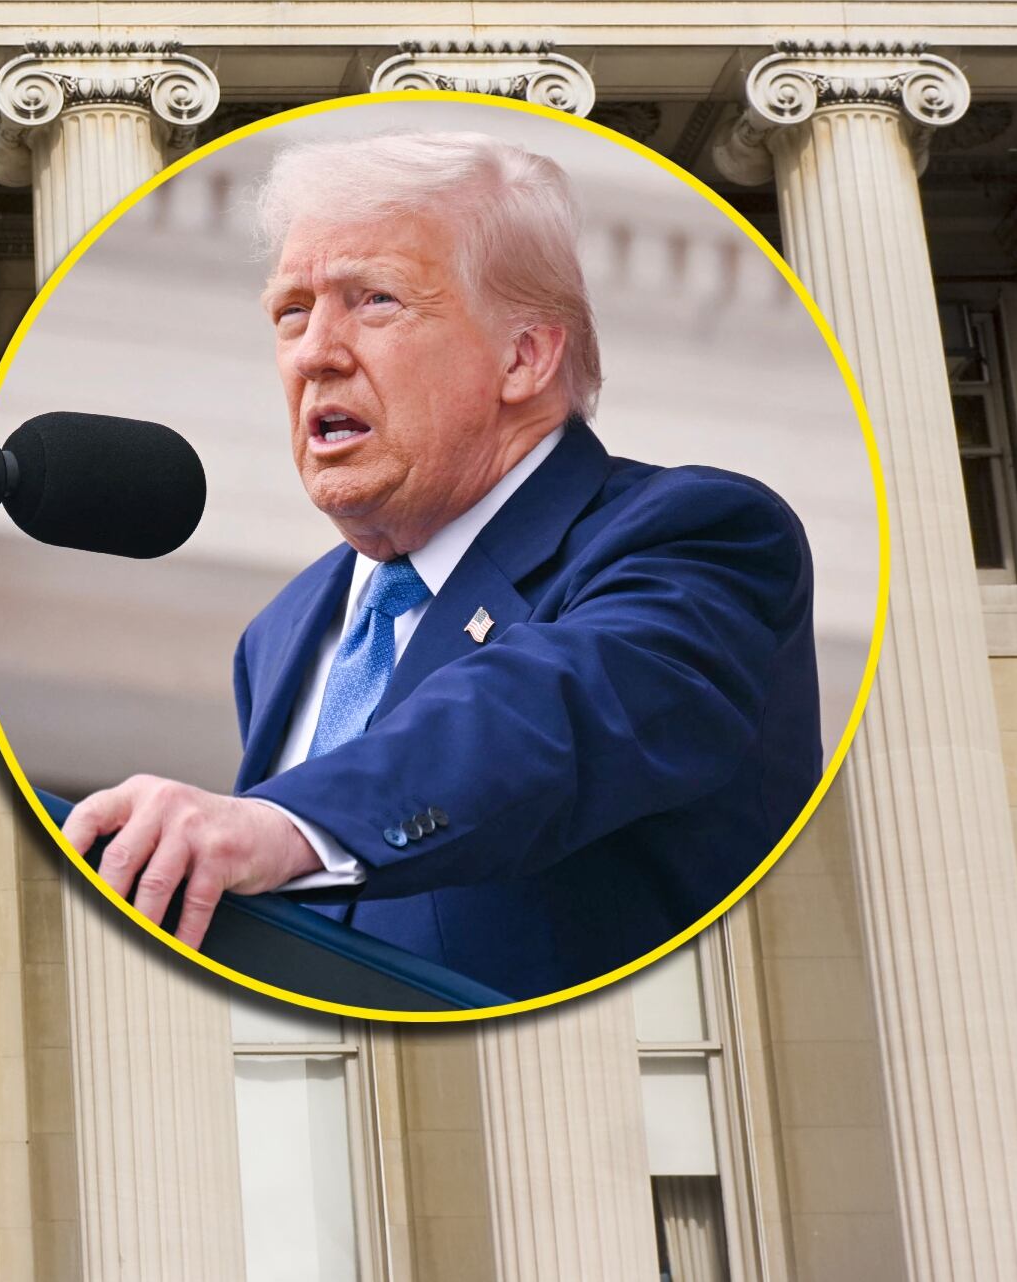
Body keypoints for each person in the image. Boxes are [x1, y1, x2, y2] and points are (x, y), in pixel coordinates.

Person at [61, 129, 820, 1000]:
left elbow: (544, 713)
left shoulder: (698, 536)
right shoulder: (282, 632)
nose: (315, 352)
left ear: (524, 356)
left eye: (375, 300)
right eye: (292, 311)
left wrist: (284, 822)